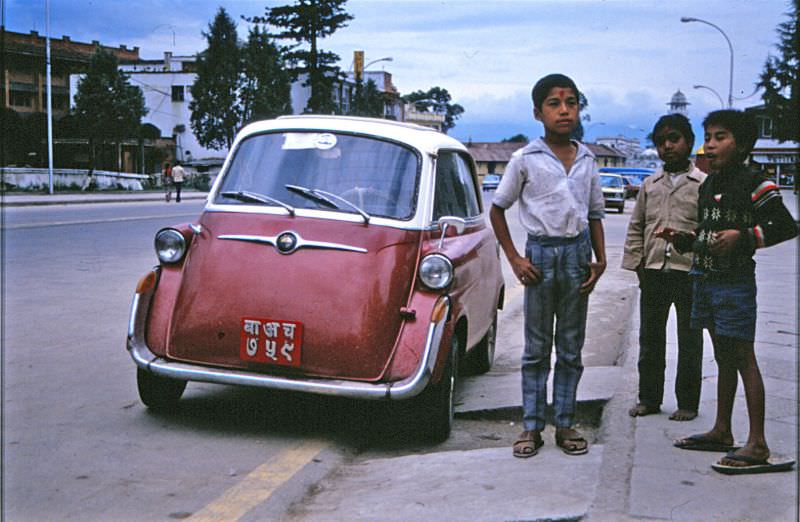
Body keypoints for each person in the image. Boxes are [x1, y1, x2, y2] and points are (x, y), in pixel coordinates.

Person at [664, 110, 797, 474]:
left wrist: (746, 238)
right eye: (708, 136)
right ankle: (722, 430)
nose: (710, 143)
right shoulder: (709, 184)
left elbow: (786, 226)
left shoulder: (755, 181)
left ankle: (757, 443)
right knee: (722, 357)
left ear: (743, 145)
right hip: (705, 279)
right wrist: (688, 240)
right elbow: (711, 233)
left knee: (743, 357)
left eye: (720, 136)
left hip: (735, 284)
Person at [490, 74, 606, 459]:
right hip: (539, 259)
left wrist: (600, 260)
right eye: (555, 104)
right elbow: (497, 209)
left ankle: (567, 422)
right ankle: (531, 426)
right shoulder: (525, 159)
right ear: (538, 112)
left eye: (571, 103)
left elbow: (594, 215)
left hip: (577, 258)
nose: (564, 110)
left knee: (571, 348)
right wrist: (516, 258)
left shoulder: (588, 159)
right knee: (536, 349)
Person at [622, 114, 706, 422]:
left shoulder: (702, 184)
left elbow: (708, 227)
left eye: (674, 139)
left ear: (689, 143)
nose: (667, 147)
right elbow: (636, 227)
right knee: (651, 338)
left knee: (690, 340)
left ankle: (687, 403)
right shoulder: (649, 185)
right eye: (661, 142)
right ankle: (649, 399)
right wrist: (638, 264)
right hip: (654, 272)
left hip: (689, 274)